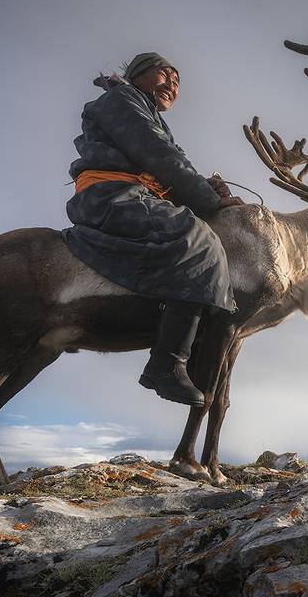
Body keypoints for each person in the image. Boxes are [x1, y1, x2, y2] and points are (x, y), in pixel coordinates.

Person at [63, 52, 245, 406]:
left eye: (177, 82)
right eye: (165, 75)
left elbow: (168, 165)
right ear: (139, 75)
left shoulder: (149, 114)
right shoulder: (122, 99)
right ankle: (167, 364)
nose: (172, 85)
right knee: (200, 239)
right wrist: (208, 200)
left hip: (134, 193)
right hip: (111, 196)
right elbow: (158, 155)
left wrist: (208, 186)